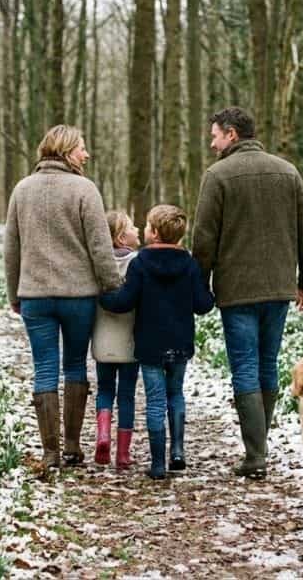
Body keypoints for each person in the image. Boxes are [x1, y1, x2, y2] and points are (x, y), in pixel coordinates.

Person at [191, 107, 303, 478]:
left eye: (215, 135)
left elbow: (204, 240)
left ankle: (255, 454)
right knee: (267, 363)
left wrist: (199, 287)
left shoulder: (217, 176)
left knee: (246, 366)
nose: (212, 143)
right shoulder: (287, 171)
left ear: (231, 134)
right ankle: (259, 448)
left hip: (236, 291)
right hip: (279, 288)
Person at [4, 125, 122, 472]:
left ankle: (50, 452)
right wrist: (113, 287)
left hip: (35, 296)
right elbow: (101, 248)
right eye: (81, 148)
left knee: (44, 369)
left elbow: (12, 250)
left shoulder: (22, 190)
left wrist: (15, 294)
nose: (86, 155)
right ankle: (72, 446)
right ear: (67, 151)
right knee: (74, 364)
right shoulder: (84, 190)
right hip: (78, 296)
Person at [101, 205, 215, 479]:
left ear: (153, 233)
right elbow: (202, 305)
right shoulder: (189, 264)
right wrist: (209, 292)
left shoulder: (140, 263)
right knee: (175, 395)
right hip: (180, 343)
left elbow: (124, 301)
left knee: (154, 401)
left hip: (150, 345)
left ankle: (158, 464)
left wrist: (101, 297)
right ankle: (178, 451)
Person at [90, 211, 141, 468]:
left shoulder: (98, 265)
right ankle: (122, 454)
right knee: (127, 395)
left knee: (105, 389)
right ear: (122, 238)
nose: (138, 229)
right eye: (132, 227)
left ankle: (102, 435)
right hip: (130, 340)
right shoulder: (138, 263)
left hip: (103, 338)